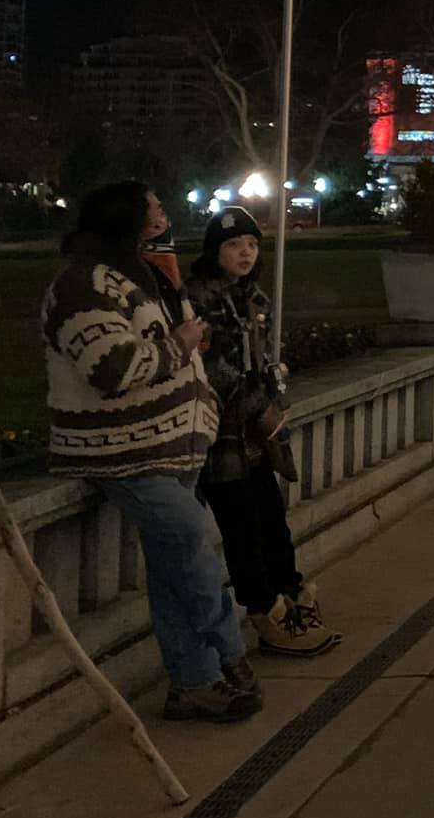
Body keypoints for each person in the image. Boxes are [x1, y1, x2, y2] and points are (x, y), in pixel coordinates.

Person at [43, 182, 259, 722]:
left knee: (173, 567)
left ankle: (191, 684)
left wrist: (200, 405)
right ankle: (230, 656)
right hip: (124, 449)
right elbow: (111, 369)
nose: (164, 211)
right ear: (133, 220)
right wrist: (181, 344)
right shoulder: (80, 285)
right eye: (155, 205)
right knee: (191, 542)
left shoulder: (146, 273)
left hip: (173, 443)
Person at [187, 208, 341, 659]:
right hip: (223, 436)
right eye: (235, 246)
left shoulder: (254, 297)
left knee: (272, 517)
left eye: (252, 245)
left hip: (255, 436)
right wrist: (261, 407)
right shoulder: (198, 298)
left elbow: (260, 361)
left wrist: (272, 400)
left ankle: (291, 596)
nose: (246, 253)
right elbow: (214, 371)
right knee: (241, 525)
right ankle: (266, 613)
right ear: (216, 250)